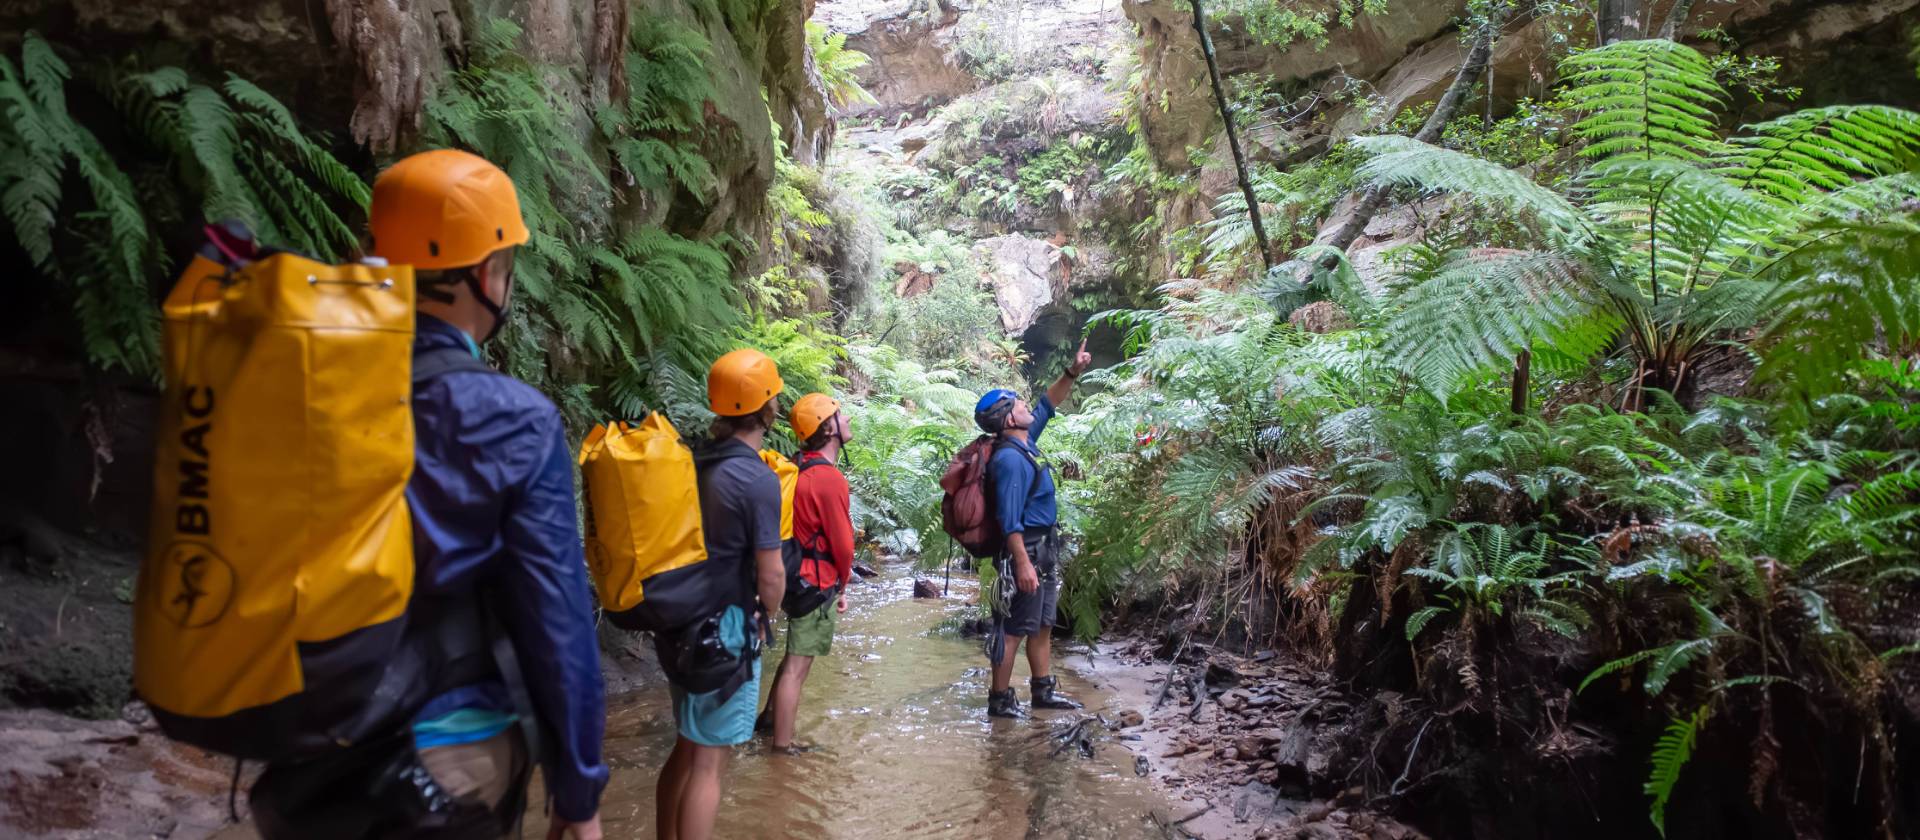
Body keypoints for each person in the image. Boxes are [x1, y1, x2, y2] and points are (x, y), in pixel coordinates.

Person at [250, 149, 607, 839]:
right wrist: (579, 793)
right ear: (486, 272)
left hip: (299, 752)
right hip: (439, 764)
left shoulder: (301, 385)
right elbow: (555, 622)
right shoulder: (507, 418)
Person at [655, 349, 788, 840]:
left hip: (679, 621)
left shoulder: (693, 459)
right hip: (726, 629)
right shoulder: (757, 478)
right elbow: (771, 575)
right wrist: (765, 614)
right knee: (710, 765)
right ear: (768, 407)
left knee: (686, 746)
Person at [977, 339, 1094, 719]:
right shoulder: (1010, 461)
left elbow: (1048, 403)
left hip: (1043, 548)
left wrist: (1072, 371)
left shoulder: (1025, 442)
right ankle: (1000, 701)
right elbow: (1009, 520)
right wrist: (1023, 563)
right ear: (1009, 419)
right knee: (1011, 629)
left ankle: (1042, 691)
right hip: (1025, 553)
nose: (1029, 407)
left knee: (1042, 625)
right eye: (1020, 405)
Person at [759, 393, 857, 753]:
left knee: (791, 658)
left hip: (793, 577)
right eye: (840, 415)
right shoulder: (829, 480)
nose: (846, 420)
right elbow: (843, 544)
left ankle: (769, 722)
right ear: (828, 427)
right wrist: (843, 584)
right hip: (817, 581)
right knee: (798, 669)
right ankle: (783, 748)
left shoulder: (796, 466)